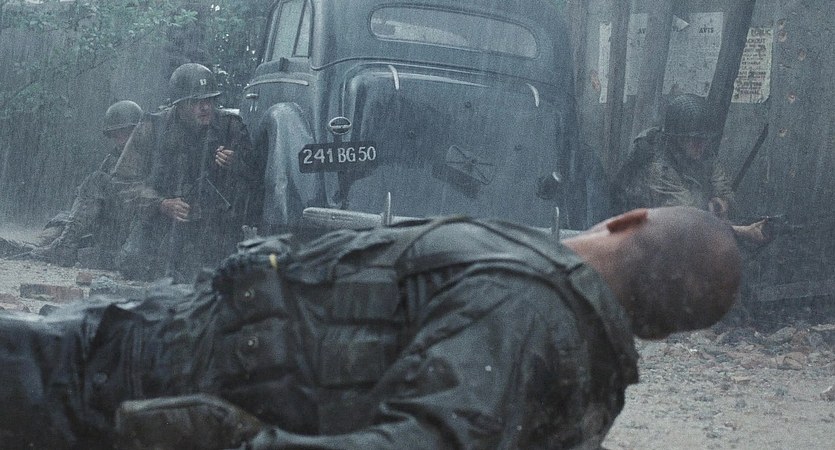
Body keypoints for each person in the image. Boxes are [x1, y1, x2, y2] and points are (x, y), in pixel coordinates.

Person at [0, 206, 741, 449]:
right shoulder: (573, 362)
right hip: (122, 361)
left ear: (627, 219)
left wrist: (234, 443)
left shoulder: (526, 305)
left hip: (111, 383)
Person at [112, 63, 261, 281]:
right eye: (196, 102)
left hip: (215, 226)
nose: (205, 107)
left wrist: (235, 163)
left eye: (209, 100)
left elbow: (257, 180)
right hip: (162, 222)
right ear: (179, 104)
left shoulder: (231, 128)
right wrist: (161, 203)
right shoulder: (153, 128)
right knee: (133, 263)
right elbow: (123, 182)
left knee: (214, 275)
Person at [612, 93, 769, 245]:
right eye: (694, 139)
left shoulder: (702, 152)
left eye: (704, 139)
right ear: (677, 138)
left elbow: (722, 186)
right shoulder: (657, 166)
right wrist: (742, 231)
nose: (701, 145)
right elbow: (688, 219)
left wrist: (723, 201)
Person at [0, 100, 143, 266]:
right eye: (116, 135)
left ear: (137, 131)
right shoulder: (112, 159)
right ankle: (34, 247)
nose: (120, 140)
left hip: (131, 224)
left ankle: (61, 248)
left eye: (125, 133)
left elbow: (133, 193)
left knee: (96, 181)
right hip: (109, 222)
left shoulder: (149, 156)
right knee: (65, 219)